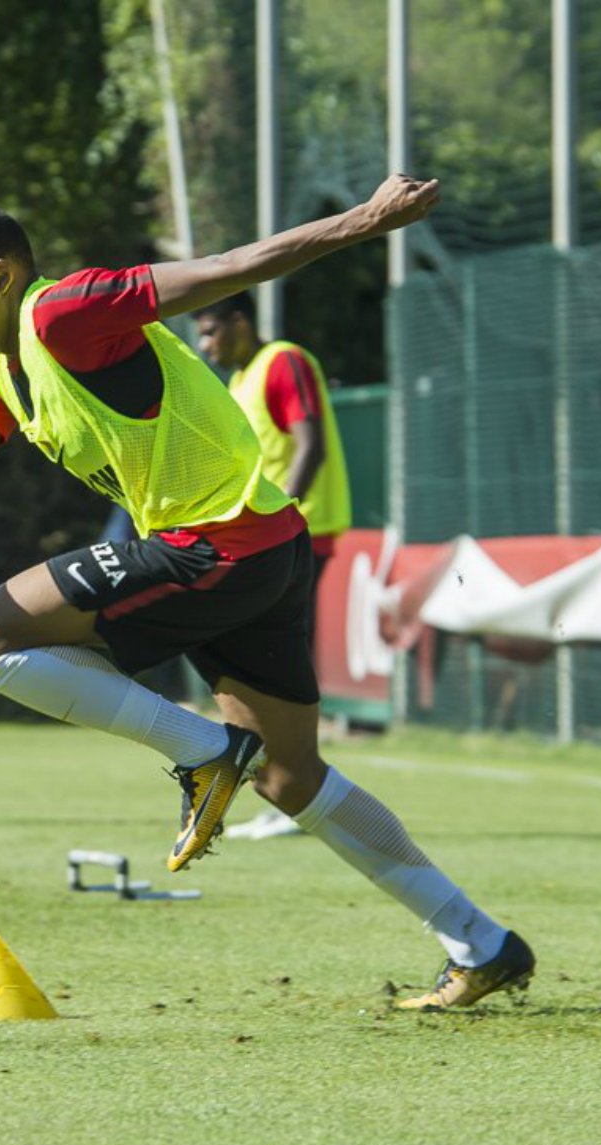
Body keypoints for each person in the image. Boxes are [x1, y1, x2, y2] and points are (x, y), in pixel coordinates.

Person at [0, 175, 534, 1009]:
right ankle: (479, 940)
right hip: (265, 547)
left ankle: (206, 752)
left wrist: (365, 221)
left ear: (2, 276)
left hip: (215, 547)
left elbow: (229, 268)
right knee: (291, 779)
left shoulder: (62, 311)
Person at [196, 292, 350, 841]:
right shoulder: (239, 383)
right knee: (265, 659)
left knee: (276, 661)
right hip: (275, 541)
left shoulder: (283, 360)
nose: (205, 345)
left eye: (211, 331)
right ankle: (290, 791)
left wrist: (281, 520)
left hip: (298, 535)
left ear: (240, 321)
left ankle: (299, 793)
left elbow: (311, 446)